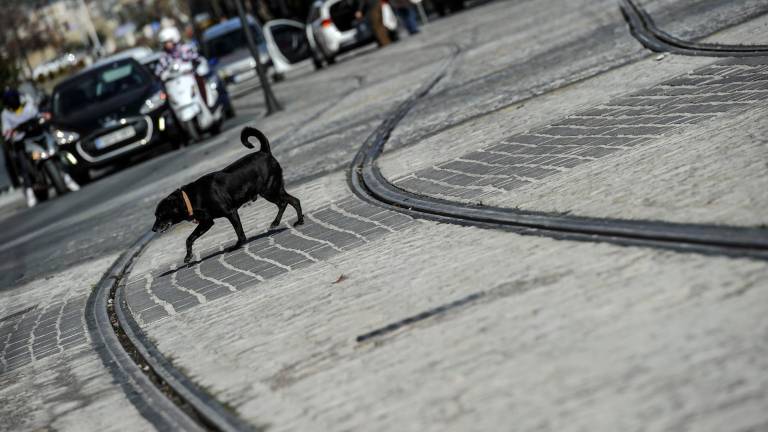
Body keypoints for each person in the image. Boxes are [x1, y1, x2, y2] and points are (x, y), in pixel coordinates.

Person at [2, 88, 39, 207]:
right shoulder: (5, 114)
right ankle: (29, 191)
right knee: (23, 165)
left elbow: (35, 112)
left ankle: (65, 176)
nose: (13, 101)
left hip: (35, 136)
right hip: (21, 142)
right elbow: (6, 130)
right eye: (9, 100)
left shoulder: (26, 104)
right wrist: (10, 133)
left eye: (14, 98)